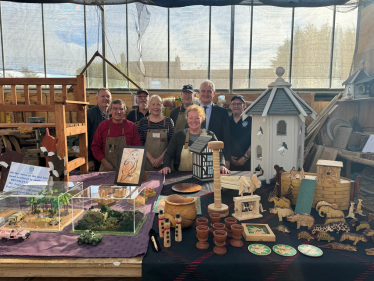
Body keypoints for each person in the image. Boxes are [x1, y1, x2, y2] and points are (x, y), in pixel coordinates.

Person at [159, 105, 230, 175]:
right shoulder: (179, 135)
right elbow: (168, 154)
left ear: (202, 119)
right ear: (187, 119)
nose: (194, 121)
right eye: (191, 118)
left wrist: (221, 165)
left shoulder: (209, 135)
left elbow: (219, 153)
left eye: (197, 118)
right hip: (182, 177)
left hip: (204, 176)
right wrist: (166, 166)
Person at [91, 99, 142, 172]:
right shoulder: (103, 126)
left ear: (124, 111)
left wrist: (132, 164)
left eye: (121, 109)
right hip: (107, 168)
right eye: (115, 109)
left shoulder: (131, 126)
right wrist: (104, 162)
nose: (118, 111)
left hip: (128, 169)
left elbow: (138, 147)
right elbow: (95, 146)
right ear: (110, 111)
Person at [137, 95, 175, 171]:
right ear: (149, 106)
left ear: (162, 106)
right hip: (147, 163)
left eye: (158, 104)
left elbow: (172, 144)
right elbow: (140, 144)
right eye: (153, 104)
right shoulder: (143, 122)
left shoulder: (168, 121)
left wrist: (160, 159)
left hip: (165, 164)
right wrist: (151, 159)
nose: (156, 107)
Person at [199, 80, 231, 168]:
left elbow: (226, 136)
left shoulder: (222, 112)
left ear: (214, 93)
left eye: (209, 91)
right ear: (199, 92)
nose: (206, 94)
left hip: (215, 155)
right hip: (195, 154)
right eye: (203, 91)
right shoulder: (192, 110)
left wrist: (226, 159)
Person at [87, 88, 112, 171]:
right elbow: (86, 138)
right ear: (96, 99)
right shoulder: (89, 114)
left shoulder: (114, 113)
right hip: (95, 158)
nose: (105, 98)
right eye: (103, 96)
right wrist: (89, 159)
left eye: (108, 96)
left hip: (111, 156)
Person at [229, 95, 252, 171]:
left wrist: (245, 157)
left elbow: (256, 140)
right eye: (233, 104)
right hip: (229, 164)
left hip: (247, 164)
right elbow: (222, 140)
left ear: (244, 105)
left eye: (239, 104)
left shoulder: (251, 120)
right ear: (230, 106)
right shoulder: (226, 120)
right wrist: (228, 156)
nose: (236, 106)